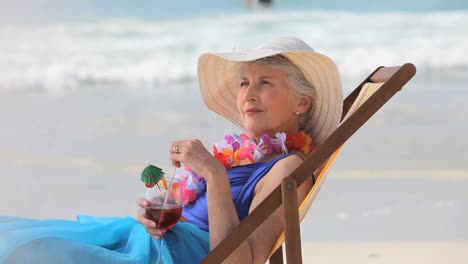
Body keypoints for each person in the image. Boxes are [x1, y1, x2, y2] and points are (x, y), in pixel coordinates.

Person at [0, 36, 342, 264]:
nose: (248, 94)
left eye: (264, 82)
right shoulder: (246, 154)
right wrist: (155, 218)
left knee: (30, 251)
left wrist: (213, 173)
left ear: (301, 102)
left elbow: (243, 260)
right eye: (243, 82)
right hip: (150, 242)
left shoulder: (287, 169)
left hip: (173, 257)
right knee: (12, 234)